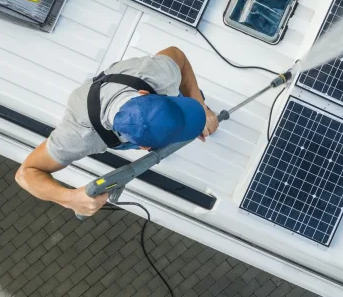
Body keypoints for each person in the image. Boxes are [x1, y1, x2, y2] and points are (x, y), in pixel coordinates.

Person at [15, 46, 219, 216]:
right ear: (144, 147)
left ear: (144, 93)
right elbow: (25, 174)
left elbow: (177, 55)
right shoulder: (79, 135)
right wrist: (70, 198)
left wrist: (200, 106)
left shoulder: (156, 74)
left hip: (122, 82)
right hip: (89, 110)